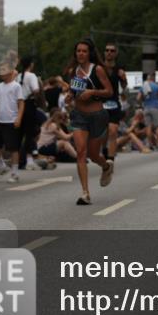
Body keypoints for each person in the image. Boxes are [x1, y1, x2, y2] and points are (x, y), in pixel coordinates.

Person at [65, 39, 115, 205]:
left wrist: (92, 91)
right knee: (81, 152)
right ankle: (85, 192)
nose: (80, 54)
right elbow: (74, 90)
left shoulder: (98, 70)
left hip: (97, 116)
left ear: (90, 53)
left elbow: (109, 91)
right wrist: (70, 96)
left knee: (93, 155)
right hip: (79, 116)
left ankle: (106, 166)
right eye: (78, 51)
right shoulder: (74, 71)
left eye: (84, 51)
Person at [0, 63, 24, 184]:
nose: (0, 71)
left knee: (13, 148)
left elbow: (21, 103)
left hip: (11, 121)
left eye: (3, 69)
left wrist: (18, 118)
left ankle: (15, 173)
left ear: (10, 71)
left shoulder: (16, 86)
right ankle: (2, 165)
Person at [15, 56, 44, 171]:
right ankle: (29, 160)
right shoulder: (31, 76)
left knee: (19, 133)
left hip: (18, 105)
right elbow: (36, 90)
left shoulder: (17, 77)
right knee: (30, 133)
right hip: (29, 105)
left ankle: (17, 160)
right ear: (31, 64)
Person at [102, 43, 128, 163]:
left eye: (112, 51)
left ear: (116, 53)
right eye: (107, 50)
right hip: (100, 103)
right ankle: (104, 149)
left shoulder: (119, 68)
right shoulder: (99, 67)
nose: (109, 53)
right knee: (103, 132)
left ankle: (110, 159)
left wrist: (123, 78)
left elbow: (124, 86)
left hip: (113, 102)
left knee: (113, 130)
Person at [140, 72, 158, 150]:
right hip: (156, 107)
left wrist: (143, 101)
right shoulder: (156, 86)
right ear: (152, 78)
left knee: (148, 126)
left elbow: (138, 98)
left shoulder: (143, 86)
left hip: (146, 108)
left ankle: (150, 144)